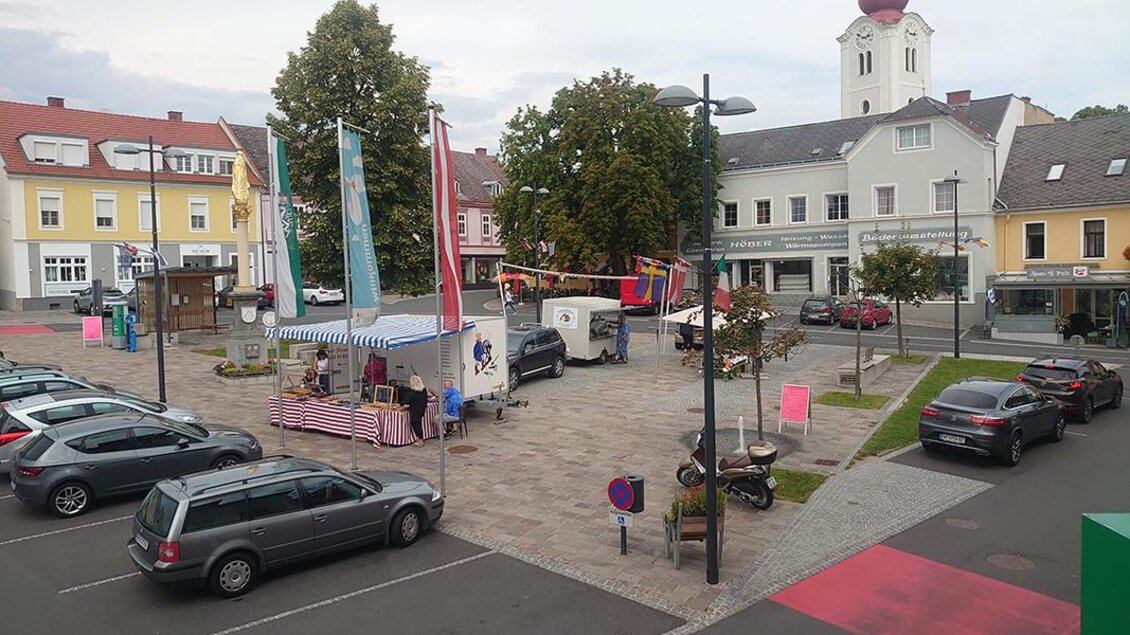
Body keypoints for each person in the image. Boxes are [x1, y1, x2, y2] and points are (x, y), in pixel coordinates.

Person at [399, 374, 429, 447]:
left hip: (415, 410)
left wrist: (400, 404)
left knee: (416, 424)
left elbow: (405, 401)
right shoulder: (423, 390)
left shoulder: (413, 392)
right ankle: (419, 438)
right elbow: (426, 400)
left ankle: (420, 440)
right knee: (418, 424)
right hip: (421, 409)